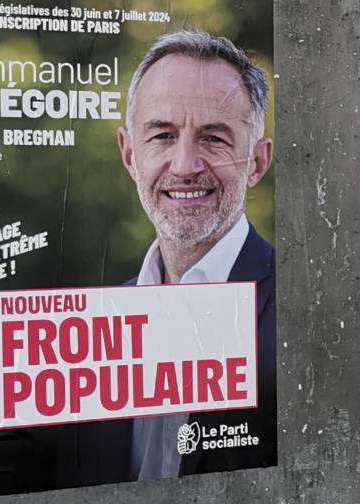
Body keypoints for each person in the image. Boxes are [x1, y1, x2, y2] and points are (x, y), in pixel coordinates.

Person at [64, 31, 277, 485]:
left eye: (214, 139)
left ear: (257, 162)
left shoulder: (303, 308)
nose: (184, 165)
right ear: (129, 155)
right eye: (162, 135)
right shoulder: (91, 331)